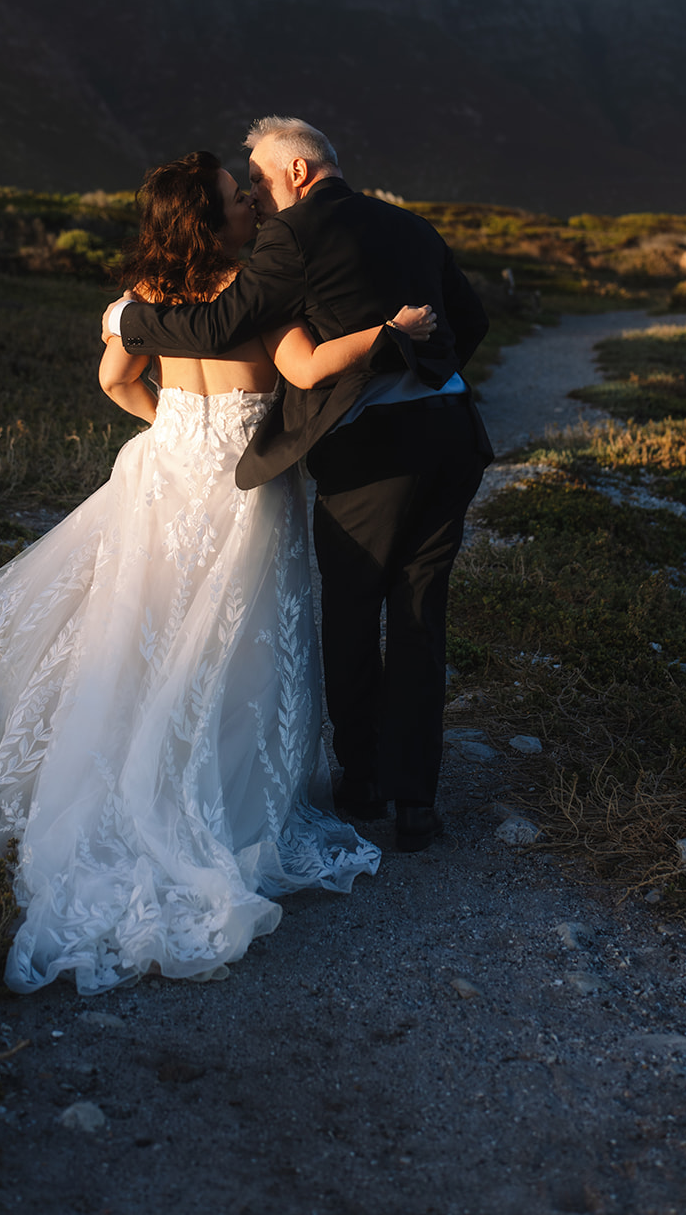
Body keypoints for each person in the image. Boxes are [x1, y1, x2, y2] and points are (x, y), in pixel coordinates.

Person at [0, 150, 435, 993]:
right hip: (246, 489)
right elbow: (310, 370)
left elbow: (113, 379)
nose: (252, 206)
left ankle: (130, 777)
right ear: (212, 221)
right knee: (236, 643)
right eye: (238, 201)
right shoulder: (259, 296)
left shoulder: (140, 303)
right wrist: (393, 333)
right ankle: (227, 799)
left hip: (164, 477)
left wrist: (174, 426)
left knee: (150, 631)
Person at [105, 118, 493, 853]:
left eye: (256, 178)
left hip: (371, 456)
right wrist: (425, 375)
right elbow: (469, 319)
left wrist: (133, 318)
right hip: (450, 438)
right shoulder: (411, 225)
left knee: (352, 613)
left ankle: (361, 780)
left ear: (298, 174)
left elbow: (221, 324)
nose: (252, 194)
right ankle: (415, 803)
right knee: (419, 614)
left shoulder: (293, 235)